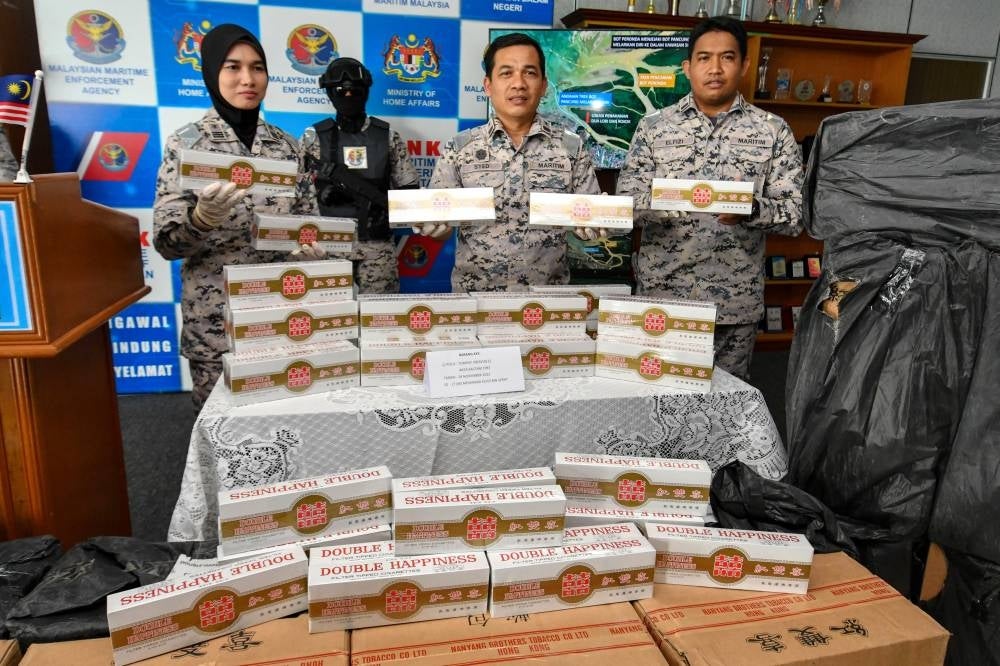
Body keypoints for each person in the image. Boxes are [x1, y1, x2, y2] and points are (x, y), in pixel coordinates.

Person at [616, 16, 803, 380]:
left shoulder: (773, 131)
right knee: (657, 400)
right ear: (687, 67)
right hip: (664, 301)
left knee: (724, 412)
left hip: (733, 305)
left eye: (727, 57)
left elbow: (795, 215)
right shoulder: (654, 127)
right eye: (704, 58)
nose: (714, 69)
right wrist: (664, 203)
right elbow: (628, 204)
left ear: (744, 65)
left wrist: (750, 210)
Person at [153, 24, 321, 410]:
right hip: (218, 324)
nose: (247, 79)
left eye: (257, 67)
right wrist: (201, 219)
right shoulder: (187, 144)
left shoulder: (287, 147)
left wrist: (311, 250)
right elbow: (166, 244)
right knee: (220, 434)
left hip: (282, 317)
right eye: (233, 67)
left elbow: (308, 221)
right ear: (212, 72)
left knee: (283, 426)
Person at [417, 32, 600, 292]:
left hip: (545, 300)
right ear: (488, 85)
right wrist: (435, 228)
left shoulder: (571, 147)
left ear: (544, 85)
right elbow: (441, 224)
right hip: (475, 299)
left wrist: (594, 226)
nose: (519, 84)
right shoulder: (461, 148)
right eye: (506, 73)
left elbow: (589, 216)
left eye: (529, 73)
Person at [299, 57, 419, 294]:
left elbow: (410, 192)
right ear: (330, 94)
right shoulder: (312, 137)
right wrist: (321, 197)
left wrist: (384, 207)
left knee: (380, 320)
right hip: (327, 247)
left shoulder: (387, 137)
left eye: (356, 90)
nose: (348, 96)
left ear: (366, 92)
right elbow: (296, 196)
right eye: (340, 91)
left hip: (377, 247)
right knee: (330, 318)